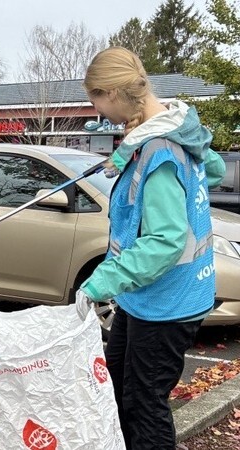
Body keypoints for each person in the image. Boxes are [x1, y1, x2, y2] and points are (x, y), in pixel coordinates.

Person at [74, 47, 227, 449]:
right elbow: (214, 169)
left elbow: (165, 241)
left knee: (144, 405)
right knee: (119, 384)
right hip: (151, 297)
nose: (101, 113)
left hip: (167, 302)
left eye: (97, 102)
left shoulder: (159, 150)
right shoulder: (173, 132)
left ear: (112, 93)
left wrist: (98, 283)